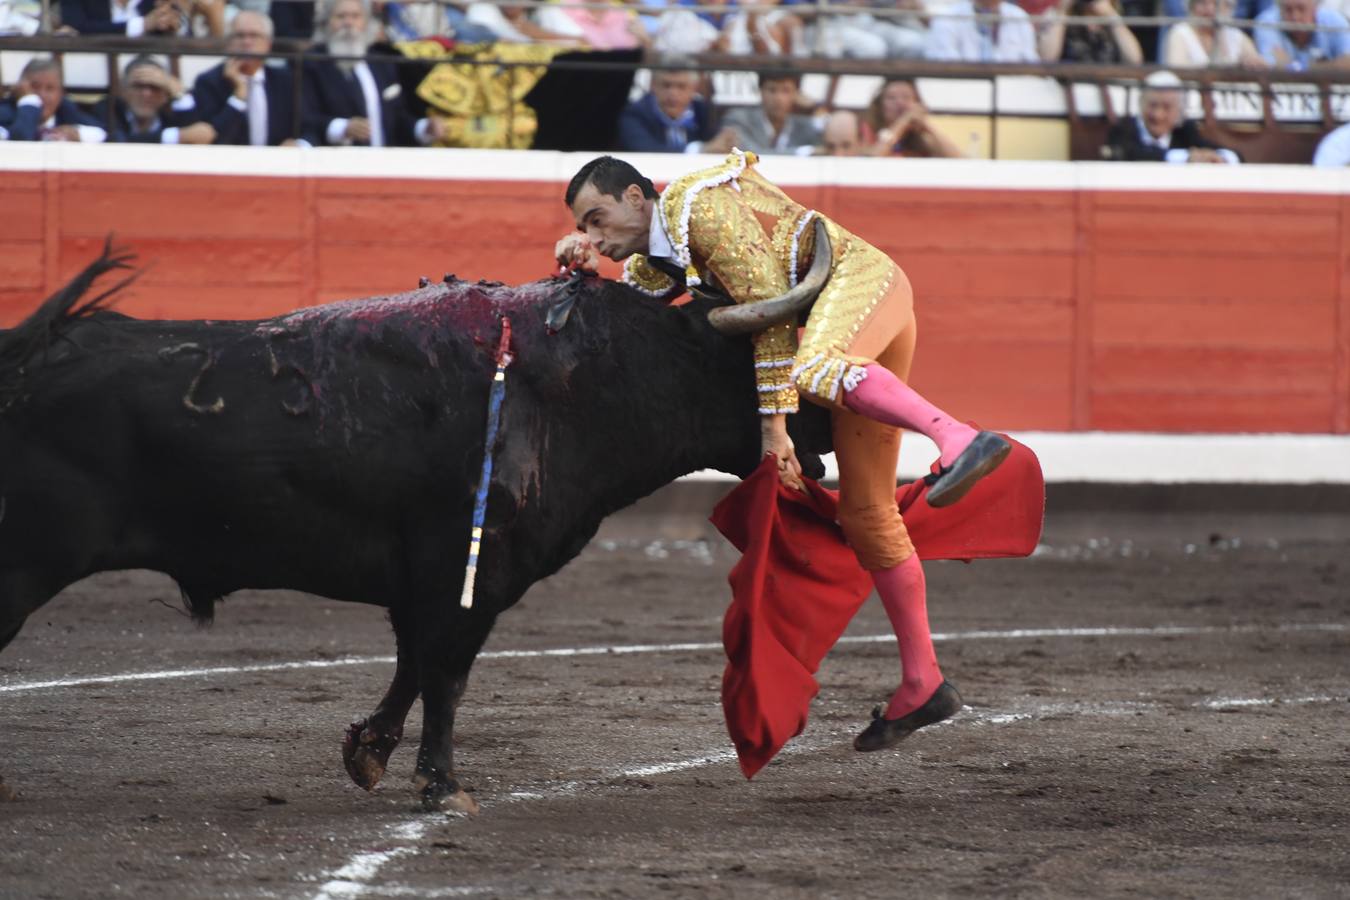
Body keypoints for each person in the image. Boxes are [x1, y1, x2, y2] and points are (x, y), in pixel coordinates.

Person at [553, 152, 1014, 751]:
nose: (593, 234)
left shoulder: (697, 206)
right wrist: (584, 267)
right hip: (851, 323)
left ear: (637, 199)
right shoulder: (660, 254)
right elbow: (632, 316)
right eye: (582, 226)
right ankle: (924, 682)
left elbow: (773, 313)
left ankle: (958, 438)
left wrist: (776, 431)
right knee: (869, 516)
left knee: (817, 366)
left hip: (860, 286)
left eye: (597, 219)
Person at [300, 0, 446, 147]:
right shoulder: (314, 62)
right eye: (341, 16)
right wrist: (343, 128)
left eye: (355, 16)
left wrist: (424, 128)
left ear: (366, 22)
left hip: (384, 163)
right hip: (336, 161)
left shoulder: (381, 62)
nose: (348, 23)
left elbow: (398, 118)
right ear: (326, 23)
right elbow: (306, 117)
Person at [191, 10, 301, 145]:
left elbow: (307, 127)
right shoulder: (208, 82)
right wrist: (238, 98)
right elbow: (213, 140)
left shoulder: (286, 81)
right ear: (228, 43)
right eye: (240, 36)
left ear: (268, 44)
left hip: (278, 163)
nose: (247, 42)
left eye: (254, 36)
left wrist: (298, 144)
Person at [1101, 70, 1240, 162]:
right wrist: (1186, 158)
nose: (1158, 115)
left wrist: (1221, 158)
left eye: (1166, 108)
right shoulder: (1123, 129)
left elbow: (1236, 155)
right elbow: (1130, 154)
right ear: (1141, 104)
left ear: (1179, 111)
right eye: (1152, 105)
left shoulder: (1185, 130)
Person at [91, 55, 216, 143]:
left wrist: (180, 95)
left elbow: (196, 134)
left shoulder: (170, 117)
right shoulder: (108, 110)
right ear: (123, 91)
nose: (146, 93)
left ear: (165, 95)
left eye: (154, 87)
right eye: (138, 86)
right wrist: (175, 137)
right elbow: (115, 140)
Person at [616, 67, 736, 154]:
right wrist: (699, 150)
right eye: (666, 85)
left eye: (681, 86)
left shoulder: (704, 111)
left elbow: (718, 144)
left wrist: (726, 142)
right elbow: (645, 150)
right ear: (653, 85)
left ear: (694, 88)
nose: (673, 93)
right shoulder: (635, 113)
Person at [0, 56, 106, 142]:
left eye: (50, 88)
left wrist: (77, 134)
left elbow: (106, 133)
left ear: (61, 94)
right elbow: (21, 139)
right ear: (20, 88)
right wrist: (29, 103)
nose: (42, 95)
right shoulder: (5, 112)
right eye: (35, 87)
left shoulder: (65, 109)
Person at [717, 71, 820, 156]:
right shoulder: (739, 119)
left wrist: (816, 109)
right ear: (760, 92)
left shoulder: (806, 126)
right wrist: (806, 152)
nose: (778, 98)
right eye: (772, 90)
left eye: (786, 90)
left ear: (796, 94)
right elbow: (749, 155)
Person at [859, 77, 963, 157]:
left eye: (906, 97)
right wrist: (902, 123)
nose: (900, 103)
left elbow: (961, 161)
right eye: (891, 98)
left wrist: (927, 126)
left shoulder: (921, 136)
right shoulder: (867, 129)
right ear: (880, 105)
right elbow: (872, 159)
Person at [1162, 0, 1267, 67]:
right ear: (1191, 6)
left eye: (1216, 4)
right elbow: (1178, 72)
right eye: (1202, 3)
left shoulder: (1237, 37)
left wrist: (1251, 63)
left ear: (1227, 7)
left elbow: (1258, 65)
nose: (1209, 9)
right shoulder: (1180, 33)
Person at [925, 0, 1040, 60]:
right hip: (959, 92)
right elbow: (945, 65)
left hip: (1012, 92)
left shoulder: (1018, 16)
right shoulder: (947, 17)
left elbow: (1030, 60)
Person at [1038, 0, 1144, 63]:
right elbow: (1047, 59)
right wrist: (1062, 11)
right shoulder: (1058, 15)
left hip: (1110, 88)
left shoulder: (1114, 18)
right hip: (1067, 90)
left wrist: (1110, 15)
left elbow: (1134, 60)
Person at [1253, 0, 1350, 69]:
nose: (1295, 16)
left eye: (1301, 8)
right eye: (1288, 10)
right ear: (1280, 10)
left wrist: (1296, 67)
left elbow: (1347, 64)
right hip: (1283, 92)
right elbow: (1271, 68)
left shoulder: (1335, 21)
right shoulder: (1266, 22)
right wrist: (1330, 66)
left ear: (1315, 9)